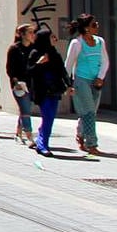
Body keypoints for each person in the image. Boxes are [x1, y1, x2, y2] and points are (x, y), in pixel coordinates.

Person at [65, 13, 111, 155]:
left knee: (90, 111)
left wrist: (100, 77)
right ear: (85, 28)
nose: (96, 26)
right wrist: (68, 84)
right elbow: (68, 64)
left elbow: (105, 61)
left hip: (96, 81)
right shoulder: (77, 43)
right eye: (93, 24)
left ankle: (80, 133)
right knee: (90, 112)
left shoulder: (100, 41)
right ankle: (92, 144)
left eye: (96, 24)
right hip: (81, 80)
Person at [28, 28, 73, 156]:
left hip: (55, 90)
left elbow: (62, 71)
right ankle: (43, 146)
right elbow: (29, 71)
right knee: (47, 117)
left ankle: (40, 138)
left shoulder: (54, 54)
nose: (55, 39)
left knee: (50, 117)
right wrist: (39, 63)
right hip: (42, 90)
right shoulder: (35, 53)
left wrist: (69, 85)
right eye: (52, 37)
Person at [5, 23, 36, 145]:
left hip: (31, 83)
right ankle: (29, 137)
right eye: (30, 32)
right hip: (19, 84)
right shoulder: (14, 49)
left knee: (24, 109)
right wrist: (15, 81)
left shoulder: (33, 48)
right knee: (26, 110)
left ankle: (18, 133)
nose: (32, 35)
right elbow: (10, 68)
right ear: (22, 34)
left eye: (33, 32)